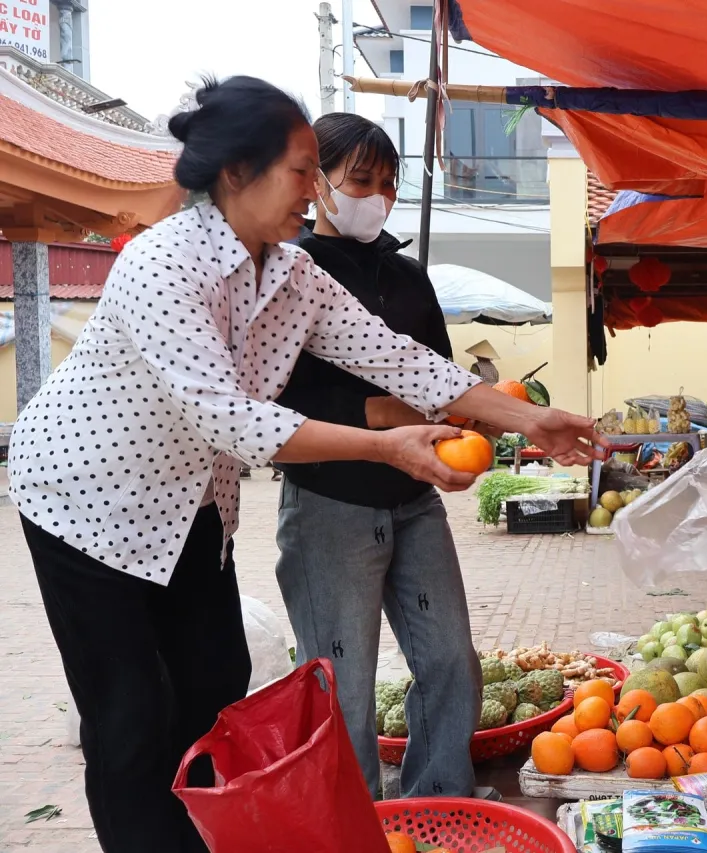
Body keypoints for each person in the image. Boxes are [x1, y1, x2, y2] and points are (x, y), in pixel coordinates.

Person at [6, 76, 602, 853]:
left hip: (192, 502)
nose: (314, 189)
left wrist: (530, 418)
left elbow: (397, 357)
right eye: (300, 170)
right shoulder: (162, 262)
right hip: (86, 503)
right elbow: (230, 417)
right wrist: (385, 445)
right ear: (236, 172)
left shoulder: (293, 275)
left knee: (215, 682)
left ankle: (203, 835)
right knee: (128, 714)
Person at [271, 112, 483, 801]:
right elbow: (284, 399)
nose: (378, 197)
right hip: (329, 505)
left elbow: (441, 381)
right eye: (362, 180)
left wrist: (478, 425)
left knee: (451, 659)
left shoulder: (409, 277)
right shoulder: (290, 271)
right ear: (316, 182)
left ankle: (438, 802)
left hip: (413, 499)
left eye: (389, 184)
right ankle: (353, 820)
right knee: (343, 683)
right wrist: (388, 415)